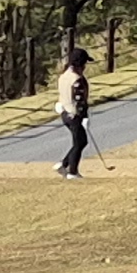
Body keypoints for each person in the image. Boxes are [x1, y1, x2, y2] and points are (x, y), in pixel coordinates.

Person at [53, 46, 92, 179]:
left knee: (79, 141)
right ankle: (72, 171)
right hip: (74, 114)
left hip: (64, 113)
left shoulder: (64, 76)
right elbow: (79, 100)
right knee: (80, 142)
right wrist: (84, 117)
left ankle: (64, 164)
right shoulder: (77, 79)